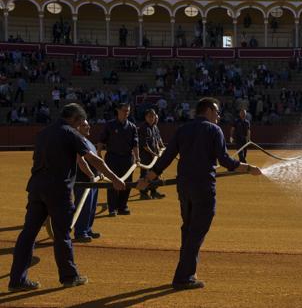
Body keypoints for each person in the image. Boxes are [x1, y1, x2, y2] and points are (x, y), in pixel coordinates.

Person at [137, 97, 261, 290]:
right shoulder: (214, 130)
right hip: (203, 187)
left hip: (184, 186)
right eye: (217, 112)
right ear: (209, 110)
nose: (219, 116)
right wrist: (248, 168)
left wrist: (147, 179)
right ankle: (183, 277)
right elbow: (226, 162)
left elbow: (166, 158)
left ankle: (188, 271)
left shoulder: (183, 129)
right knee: (196, 231)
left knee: (188, 229)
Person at [8, 104, 125, 292]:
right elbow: (94, 159)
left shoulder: (44, 133)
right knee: (62, 235)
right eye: (81, 122)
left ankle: (17, 280)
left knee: (28, 234)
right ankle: (69, 276)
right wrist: (116, 179)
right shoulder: (71, 133)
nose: (81, 126)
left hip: (37, 187)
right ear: (76, 119)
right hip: (58, 190)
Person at [98, 103, 139, 216]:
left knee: (127, 183)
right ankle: (112, 208)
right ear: (118, 111)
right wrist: (98, 153)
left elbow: (135, 144)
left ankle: (122, 206)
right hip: (112, 157)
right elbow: (101, 140)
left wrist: (137, 158)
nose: (126, 113)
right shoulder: (109, 125)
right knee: (113, 182)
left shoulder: (132, 127)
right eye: (124, 110)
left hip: (127, 158)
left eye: (128, 111)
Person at [73, 120, 102, 242]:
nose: (88, 127)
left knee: (91, 206)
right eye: (84, 125)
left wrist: (99, 173)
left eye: (88, 124)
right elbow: (81, 162)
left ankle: (88, 229)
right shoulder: (76, 141)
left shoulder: (88, 142)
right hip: (83, 181)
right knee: (83, 206)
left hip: (93, 181)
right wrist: (91, 175)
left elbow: (96, 160)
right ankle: (80, 232)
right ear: (77, 128)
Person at [138, 109, 165, 200]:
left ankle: (154, 191)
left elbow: (156, 141)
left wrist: (158, 150)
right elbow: (144, 145)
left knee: (155, 173)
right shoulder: (143, 128)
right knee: (145, 174)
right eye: (149, 116)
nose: (151, 118)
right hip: (145, 156)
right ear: (146, 117)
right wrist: (153, 153)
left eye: (153, 116)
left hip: (153, 156)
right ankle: (143, 193)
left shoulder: (154, 127)